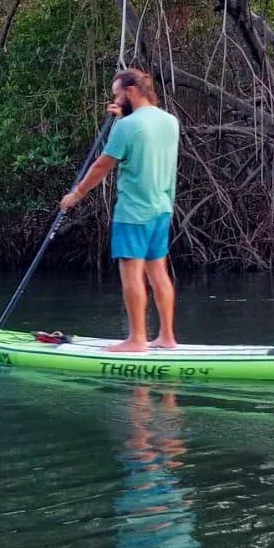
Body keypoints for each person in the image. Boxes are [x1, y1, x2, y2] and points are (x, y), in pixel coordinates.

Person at [60, 68, 180, 352]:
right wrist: (124, 118)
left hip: (133, 212)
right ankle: (166, 337)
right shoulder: (169, 121)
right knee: (158, 273)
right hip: (162, 208)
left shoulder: (126, 127)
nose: (115, 99)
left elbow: (102, 165)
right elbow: (144, 139)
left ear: (131, 91)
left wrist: (76, 194)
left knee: (131, 272)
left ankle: (137, 339)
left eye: (118, 94)